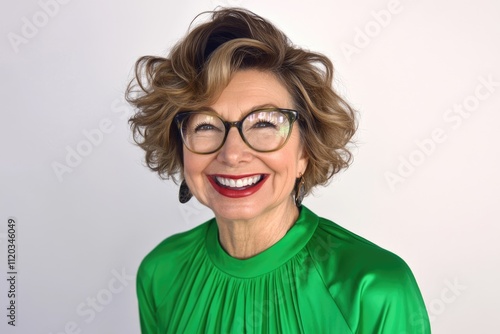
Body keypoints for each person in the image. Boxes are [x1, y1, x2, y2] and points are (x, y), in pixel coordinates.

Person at [126, 8, 431, 334]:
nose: (231, 154)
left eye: (264, 123)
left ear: (304, 152)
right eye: (206, 125)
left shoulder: (375, 290)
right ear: (181, 146)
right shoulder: (160, 273)